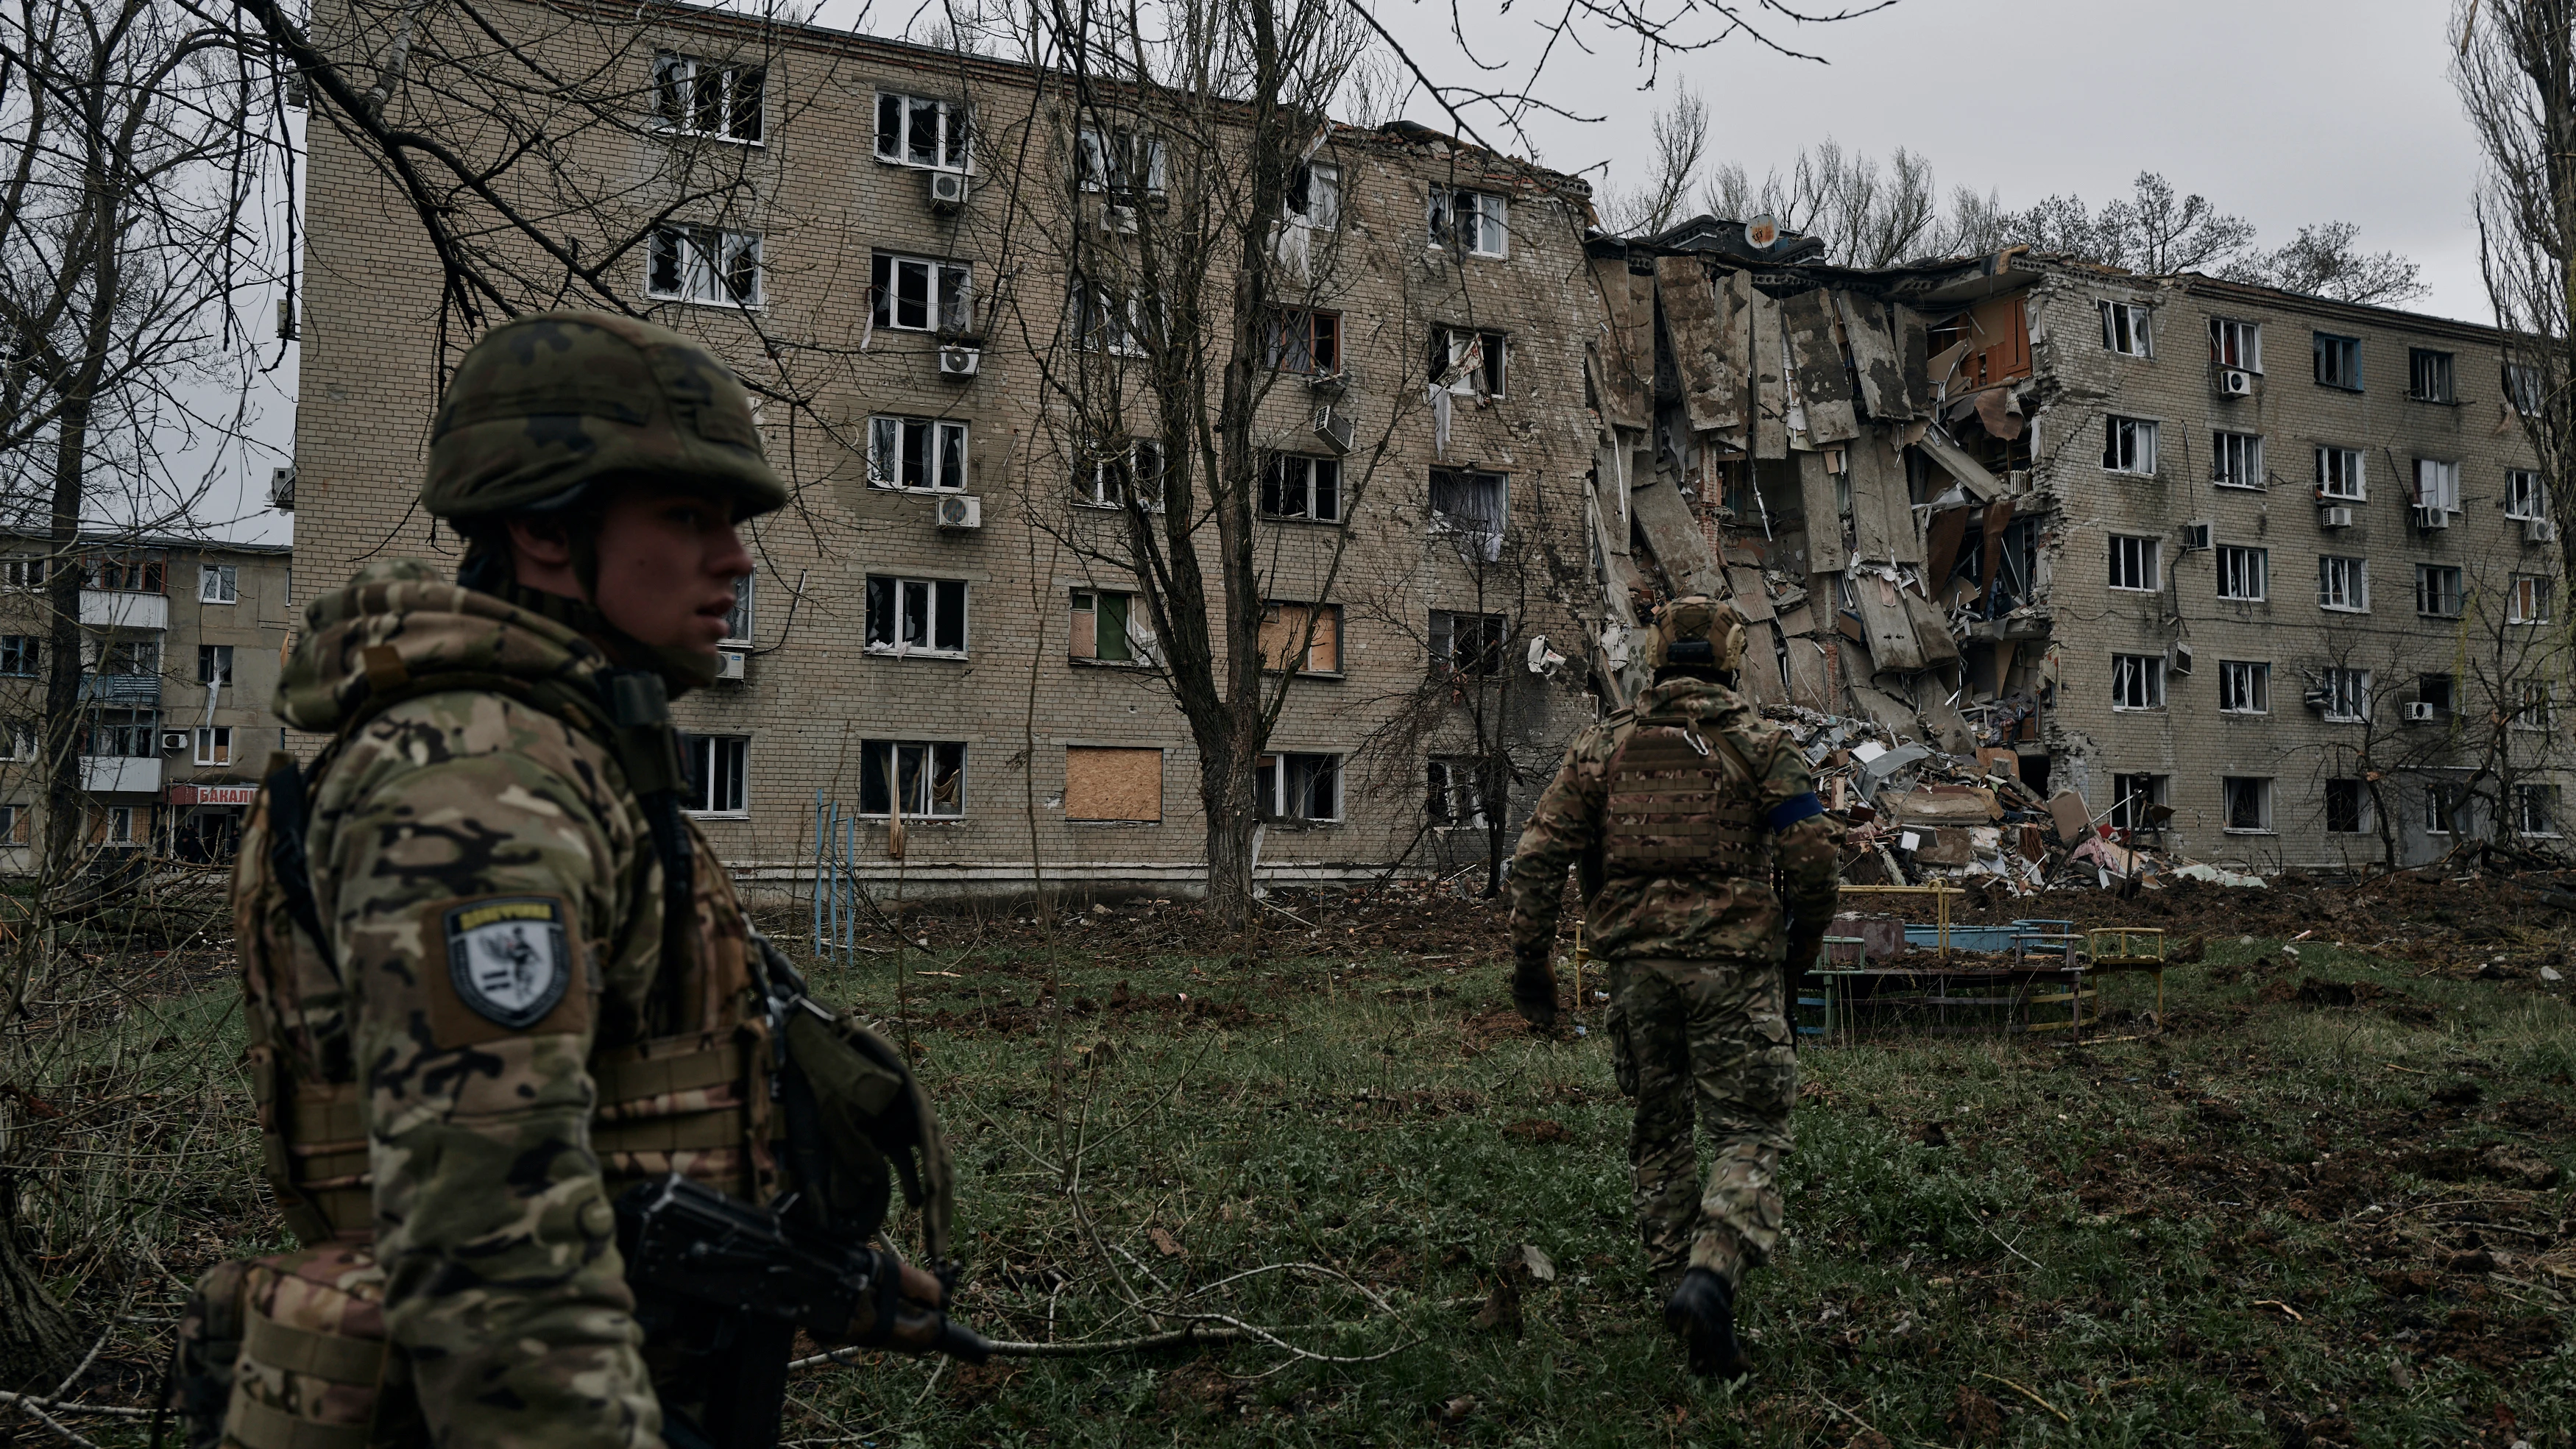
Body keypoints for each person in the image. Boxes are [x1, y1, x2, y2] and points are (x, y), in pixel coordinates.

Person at [213, 312, 960, 1449]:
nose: (736, 557)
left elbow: (624, 1118)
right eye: (686, 515)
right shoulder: (474, 783)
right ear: (543, 531)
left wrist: (810, 1274)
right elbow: (492, 1242)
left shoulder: (563, 749)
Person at [1504, 596, 1839, 1379]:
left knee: (1659, 1134)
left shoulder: (1601, 745)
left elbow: (1538, 855)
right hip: (1733, 969)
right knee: (1749, 1129)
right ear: (1730, 661)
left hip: (1636, 973)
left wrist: (1530, 962)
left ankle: (1681, 1306)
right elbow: (1812, 862)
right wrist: (1795, 957)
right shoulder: (1759, 745)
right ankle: (1710, 1271)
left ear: (1652, 660)